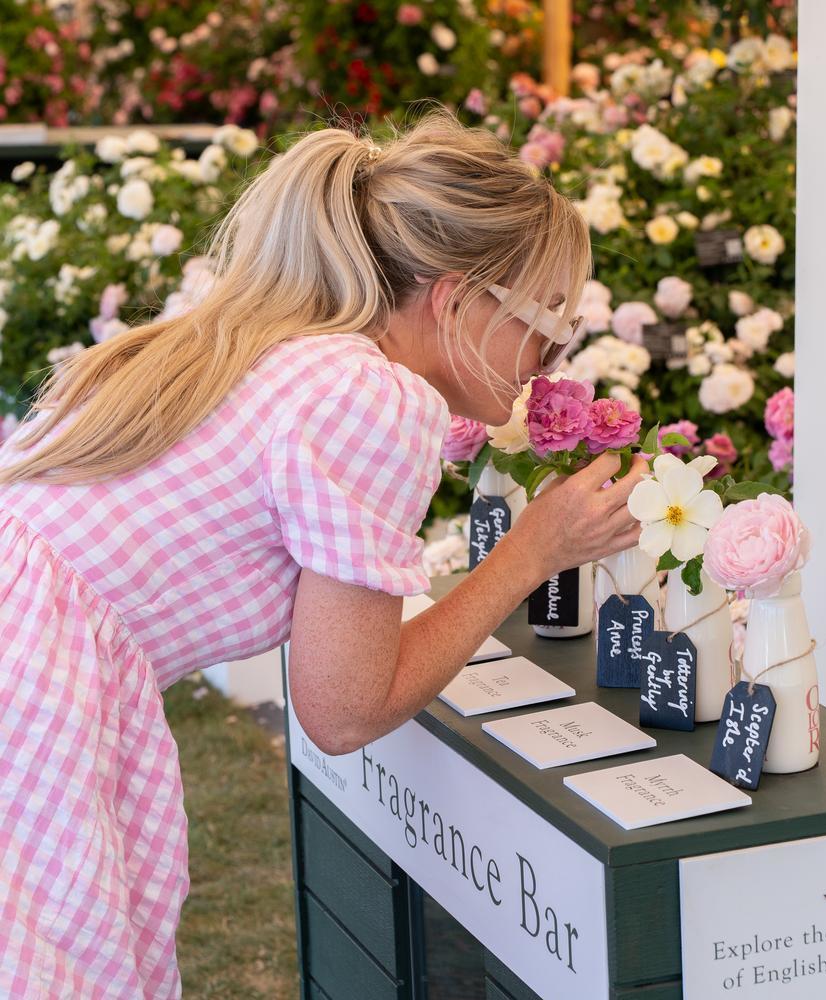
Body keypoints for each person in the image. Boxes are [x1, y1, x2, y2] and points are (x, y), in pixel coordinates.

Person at [0, 105, 646, 997]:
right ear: (457, 299)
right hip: (29, 695)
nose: (550, 355)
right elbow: (344, 711)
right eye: (547, 321)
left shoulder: (273, 345)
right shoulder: (372, 397)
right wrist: (532, 552)